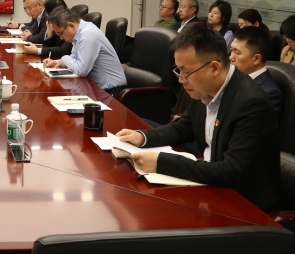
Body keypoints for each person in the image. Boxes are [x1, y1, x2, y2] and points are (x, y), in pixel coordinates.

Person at [116, 23, 280, 211]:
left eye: (186, 72)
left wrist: (161, 162)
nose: (181, 80)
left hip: (244, 205)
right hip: (210, 186)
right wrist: (142, 137)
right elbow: (182, 128)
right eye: (178, 71)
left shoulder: (251, 103)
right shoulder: (205, 87)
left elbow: (230, 171)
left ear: (215, 67)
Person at [41, 7, 126, 95]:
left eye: (60, 33)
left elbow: (81, 70)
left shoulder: (88, 34)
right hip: (96, 87)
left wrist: (64, 59)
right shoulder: (80, 33)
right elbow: (74, 58)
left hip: (111, 91)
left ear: (71, 26)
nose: (61, 38)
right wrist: (58, 62)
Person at [230, 26, 283, 118]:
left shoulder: (269, 92)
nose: (231, 57)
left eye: (237, 52)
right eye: (231, 51)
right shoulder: (233, 79)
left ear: (256, 59)